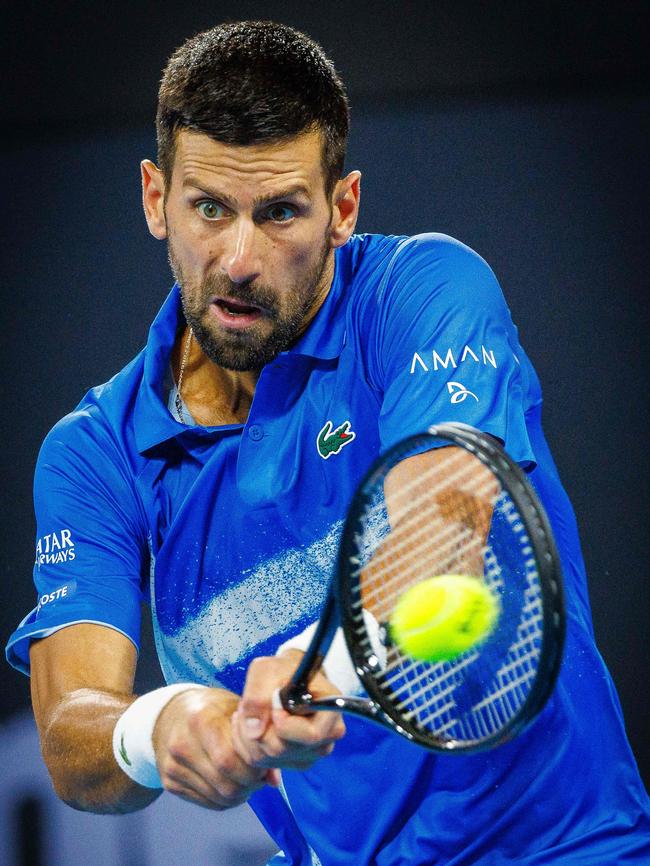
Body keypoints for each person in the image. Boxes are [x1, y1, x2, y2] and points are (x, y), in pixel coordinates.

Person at [6, 20, 650, 866]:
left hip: (565, 849)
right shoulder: (95, 456)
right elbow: (69, 732)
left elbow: (445, 526)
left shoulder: (421, 291)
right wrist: (161, 726)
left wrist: (324, 667)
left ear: (342, 207)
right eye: (209, 209)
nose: (238, 259)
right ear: (155, 198)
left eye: (279, 213)